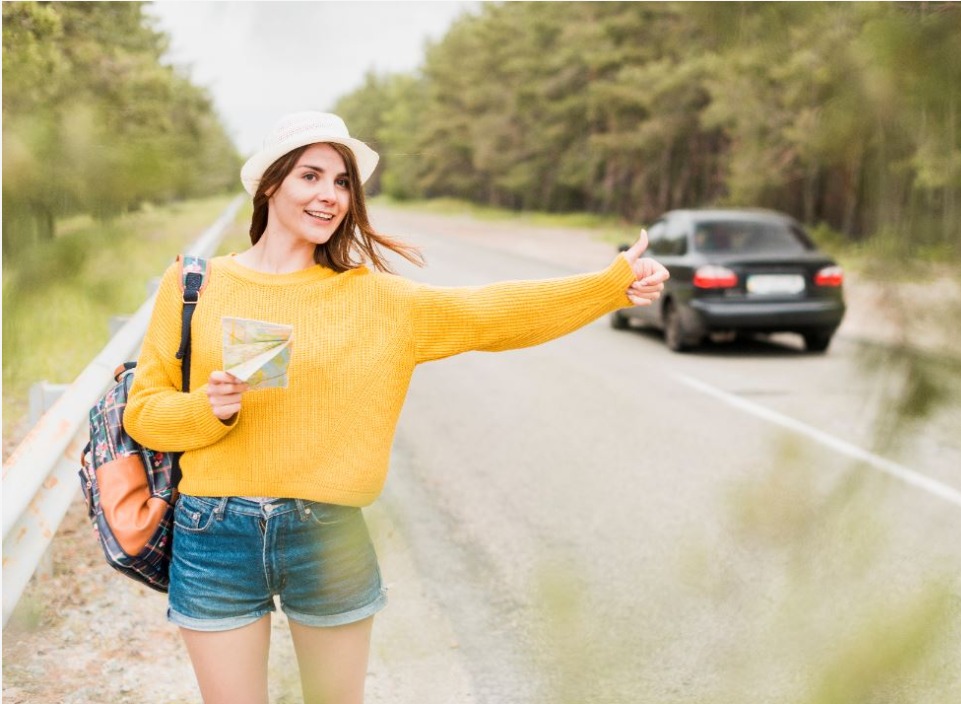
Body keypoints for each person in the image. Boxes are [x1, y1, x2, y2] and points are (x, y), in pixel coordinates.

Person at [124, 111, 668, 704]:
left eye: (342, 183)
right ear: (271, 185)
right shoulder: (194, 283)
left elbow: (494, 314)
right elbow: (144, 413)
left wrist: (609, 286)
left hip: (326, 534)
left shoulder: (377, 299)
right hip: (213, 532)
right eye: (311, 176)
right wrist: (210, 409)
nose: (329, 195)